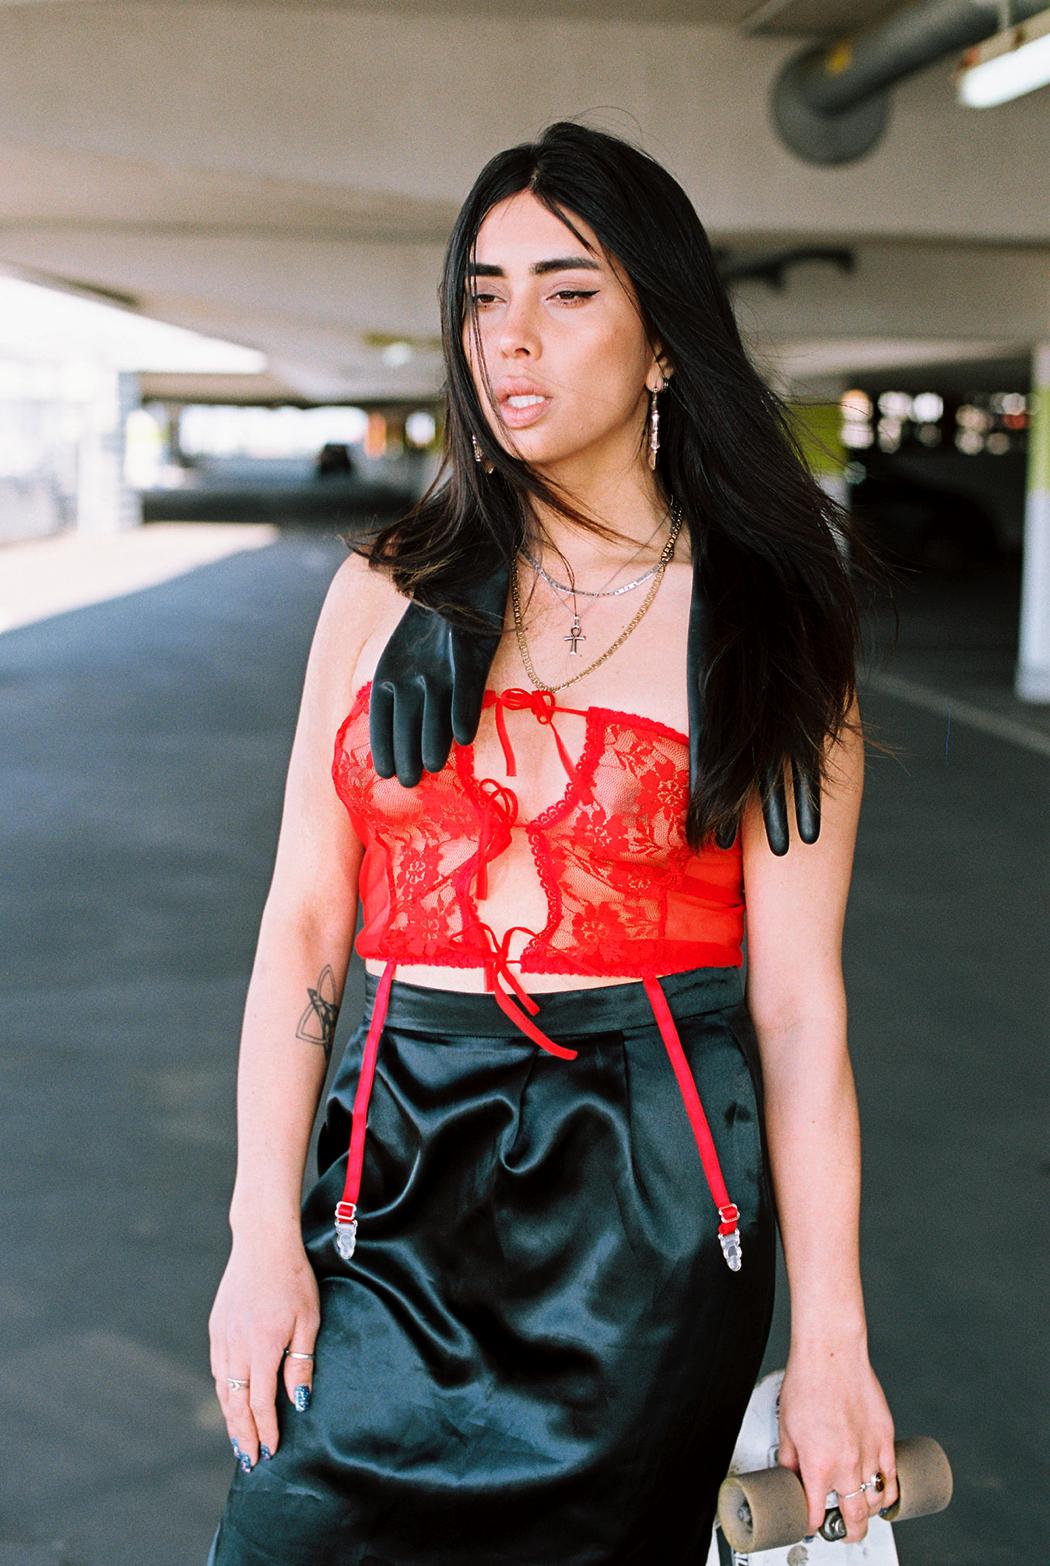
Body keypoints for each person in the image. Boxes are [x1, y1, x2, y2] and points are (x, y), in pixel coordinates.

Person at [206, 119, 901, 1564]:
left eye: (567, 292)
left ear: (664, 344)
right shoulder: (382, 594)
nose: (509, 336)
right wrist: (257, 1234)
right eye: (483, 295)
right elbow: (305, 926)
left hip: (642, 1219)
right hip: (388, 1176)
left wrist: (831, 1340)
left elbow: (796, 1003)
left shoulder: (764, 623)